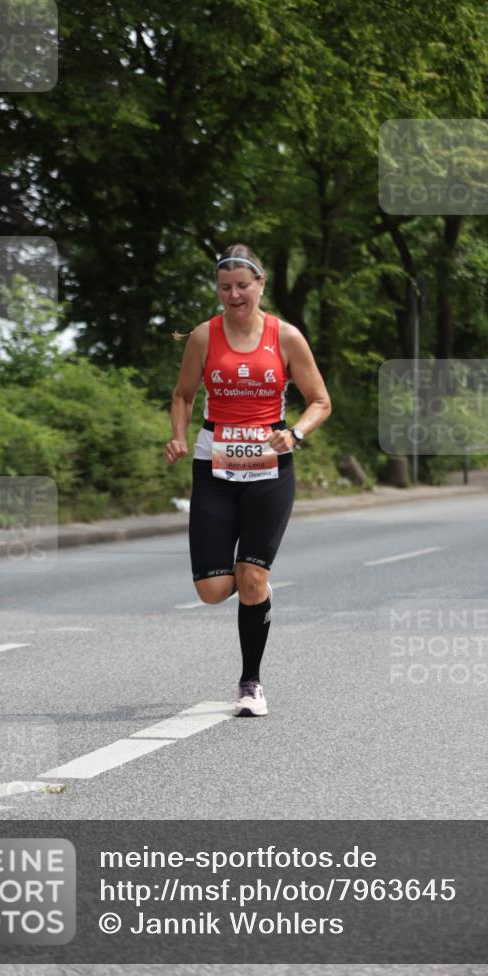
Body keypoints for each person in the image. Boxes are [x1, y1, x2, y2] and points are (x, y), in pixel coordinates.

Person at [164, 244, 331, 716]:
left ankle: (250, 683)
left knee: (252, 576)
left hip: (269, 467)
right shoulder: (203, 336)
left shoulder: (286, 337)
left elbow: (320, 400)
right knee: (213, 591)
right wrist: (177, 435)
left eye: (242, 285)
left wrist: (294, 433)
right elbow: (182, 395)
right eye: (225, 287)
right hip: (213, 465)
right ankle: (252, 585)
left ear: (260, 285)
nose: (234, 295)